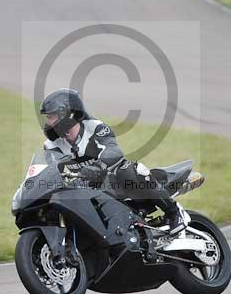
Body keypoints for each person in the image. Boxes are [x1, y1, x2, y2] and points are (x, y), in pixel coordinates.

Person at [39, 88, 184, 233]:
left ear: (67, 115)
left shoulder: (94, 127)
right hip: (83, 187)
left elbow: (114, 150)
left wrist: (98, 166)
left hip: (111, 181)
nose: (48, 123)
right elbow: (53, 169)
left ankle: (174, 212)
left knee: (128, 169)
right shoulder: (51, 145)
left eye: (51, 117)